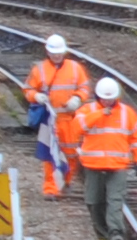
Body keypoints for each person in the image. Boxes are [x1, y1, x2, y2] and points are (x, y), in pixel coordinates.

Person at [68, 72, 137, 240]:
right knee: (93, 202)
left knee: (115, 199)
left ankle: (115, 233)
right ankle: (103, 233)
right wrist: (101, 113)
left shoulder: (127, 113)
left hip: (118, 165)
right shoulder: (88, 110)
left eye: (110, 99)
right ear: (97, 96)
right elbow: (77, 128)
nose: (107, 102)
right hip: (93, 164)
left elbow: (136, 138)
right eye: (104, 98)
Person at [20, 33, 87, 198]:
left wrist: (78, 98)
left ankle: (66, 181)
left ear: (64, 52)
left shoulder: (75, 68)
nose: (56, 55)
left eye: (59, 52)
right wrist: (36, 97)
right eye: (53, 52)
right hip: (49, 119)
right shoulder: (40, 69)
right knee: (49, 155)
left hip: (70, 118)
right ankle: (50, 188)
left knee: (71, 153)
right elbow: (28, 89)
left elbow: (84, 87)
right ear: (47, 52)